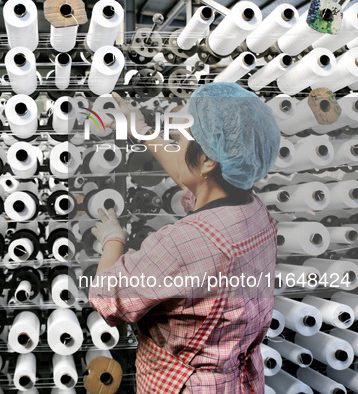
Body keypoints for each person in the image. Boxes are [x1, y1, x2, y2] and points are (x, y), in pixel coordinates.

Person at [88, 82, 281, 393]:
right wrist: (141, 128)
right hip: (239, 381)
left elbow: (106, 299)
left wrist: (113, 238)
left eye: (178, 140)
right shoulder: (253, 209)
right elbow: (187, 173)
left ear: (207, 161)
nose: (175, 146)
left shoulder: (185, 243)